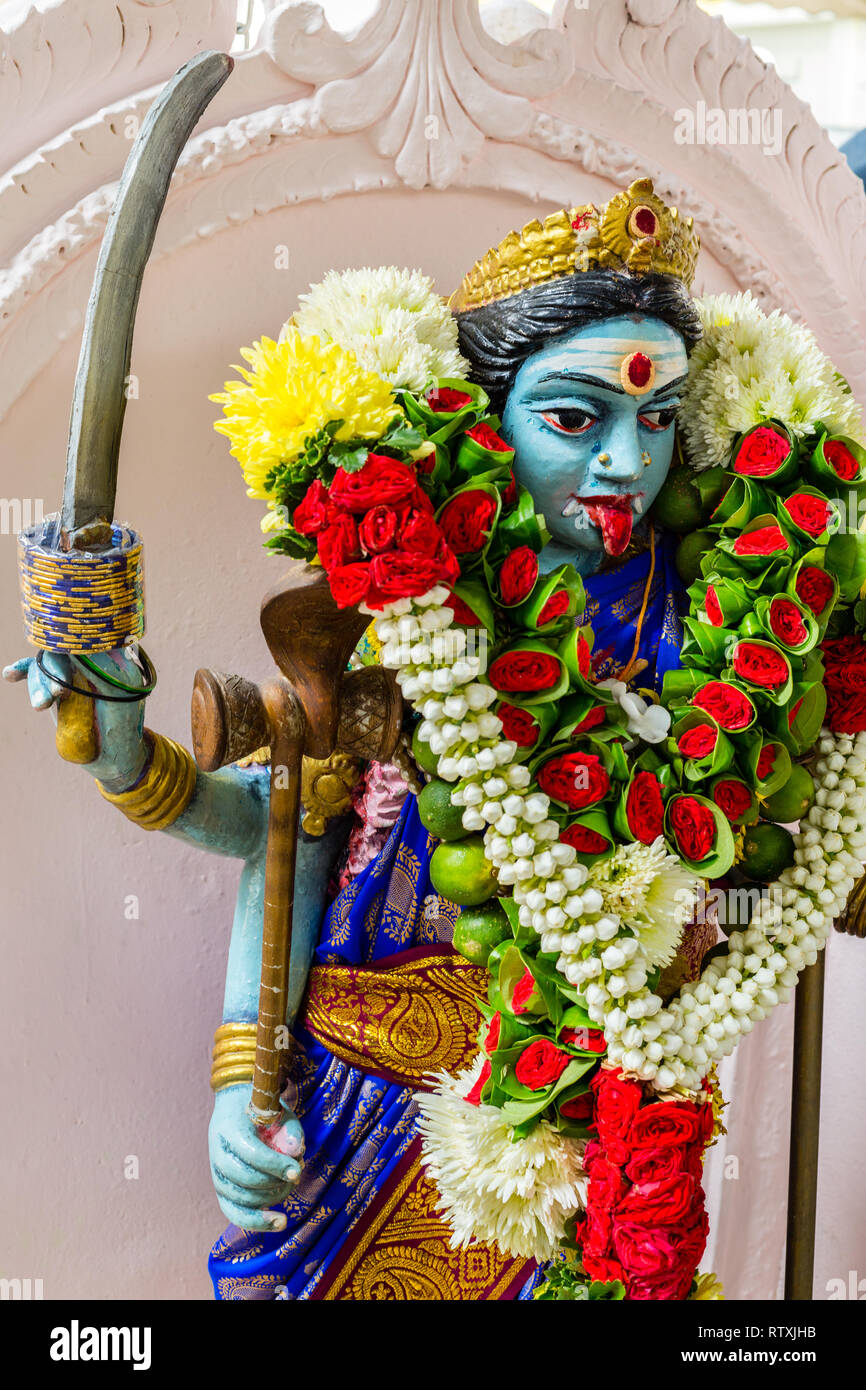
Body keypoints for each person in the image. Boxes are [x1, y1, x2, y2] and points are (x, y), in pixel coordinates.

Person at [6, 179, 712, 1299]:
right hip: (351, 1109)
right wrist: (117, 734)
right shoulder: (402, 611)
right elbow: (270, 827)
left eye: (659, 419)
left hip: (574, 1128)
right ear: (482, 426)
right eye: (576, 418)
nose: (626, 462)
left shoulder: (710, 635)